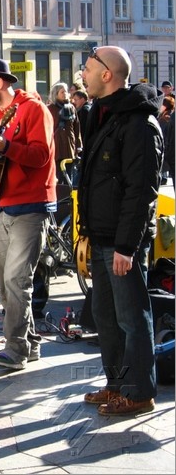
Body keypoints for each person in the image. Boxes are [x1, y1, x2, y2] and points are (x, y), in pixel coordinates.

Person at [78, 46, 164, 416]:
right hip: (99, 235)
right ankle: (116, 385)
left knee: (131, 318)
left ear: (107, 74)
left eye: (87, 67)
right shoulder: (102, 114)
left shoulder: (140, 124)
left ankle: (138, 392)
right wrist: (85, 230)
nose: (82, 72)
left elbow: (141, 191)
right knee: (106, 318)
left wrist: (127, 247)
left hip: (121, 242)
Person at [0, 58, 56, 370]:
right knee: (5, 282)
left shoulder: (33, 109)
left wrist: (7, 147)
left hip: (31, 205)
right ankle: (28, 343)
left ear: (0, 82)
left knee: (18, 279)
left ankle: (14, 349)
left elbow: (41, 155)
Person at [47, 82, 82, 183]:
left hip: (69, 146)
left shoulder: (71, 108)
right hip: (56, 146)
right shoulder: (50, 109)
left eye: (66, 91)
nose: (65, 93)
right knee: (57, 175)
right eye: (62, 92)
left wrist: (78, 146)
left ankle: (68, 197)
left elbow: (77, 127)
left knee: (69, 175)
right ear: (56, 94)